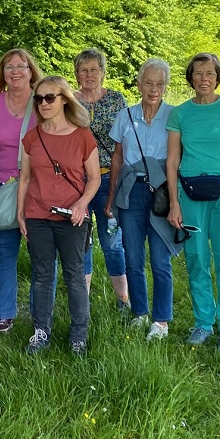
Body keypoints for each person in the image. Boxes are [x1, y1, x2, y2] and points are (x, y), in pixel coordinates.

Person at [165, 53, 220, 353]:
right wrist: (174, 203)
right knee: (197, 259)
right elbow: (173, 160)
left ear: (218, 76)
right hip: (189, 194)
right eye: (199, 73)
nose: (204, 78)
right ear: (190, 78)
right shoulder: (179, 114)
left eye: (210, 73)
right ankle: (203, 323)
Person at [17, 76, 99, 356]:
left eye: (49, 97)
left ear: (64, 99)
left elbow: (95, 179)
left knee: (74, 275)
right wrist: (20, 214)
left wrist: (82, 204)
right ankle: (41, 331)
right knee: (41, 276)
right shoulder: (32, 136)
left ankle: (79, 336)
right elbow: (25, 178)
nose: (43, 103)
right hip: (38, 215)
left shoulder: (82, 135)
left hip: (72, 217)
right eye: (38, 99)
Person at [106, 58, 181, 341]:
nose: (154, 89)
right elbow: (117, 157)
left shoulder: (175, 116)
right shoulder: (125, 115)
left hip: (162, 190)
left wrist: (176, 200)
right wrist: (111, 198)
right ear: (138, 84)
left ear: (166, 86)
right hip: (131, 191)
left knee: (161, 260)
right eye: (148, 83)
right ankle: (140, 313)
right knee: (133, 256)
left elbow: (179, 160)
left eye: (160, 83)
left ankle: (161, 321)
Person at [0, 49, 42, 332]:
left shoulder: (44, 102)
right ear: (1, 73)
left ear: (31, 71)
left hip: (38, 189)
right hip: (0, 189)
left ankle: (42, 313)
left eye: (21, 66)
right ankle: (4, 311)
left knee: (42, 254)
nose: (15, 71)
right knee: (2, 254)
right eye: (9, 67)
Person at [74, 49, 128, 306]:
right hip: (77, 182)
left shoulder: (117, 100)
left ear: (103, 73)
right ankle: (82, 302)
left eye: (95, 69)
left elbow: (125, 142)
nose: (89, 75)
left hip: (109, 178)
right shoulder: (70, 101)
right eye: (84, 70)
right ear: (77, 74)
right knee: (81, 241)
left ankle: (123, 298)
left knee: (112, 241)